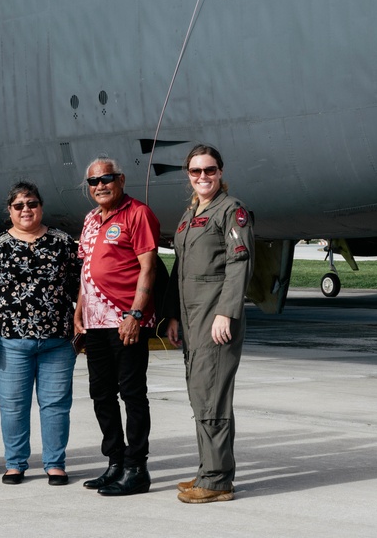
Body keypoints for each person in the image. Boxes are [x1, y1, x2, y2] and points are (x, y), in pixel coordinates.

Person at [0, 182, 81, 486]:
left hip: (57, 342)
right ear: (10, 211)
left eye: (31, 203)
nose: (26, 210)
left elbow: (80, 286)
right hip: (10, 342)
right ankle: (16, 463)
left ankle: (55, 463)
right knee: (13, 405)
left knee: (56, 405)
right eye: (19, 205)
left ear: (41, 206)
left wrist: (78, 318)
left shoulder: (62, 243)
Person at [164, 144, 254, 504]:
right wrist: (171, 314)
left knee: (212, 395)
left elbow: (239, 263)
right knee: (200, 392)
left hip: (215, 315)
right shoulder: (190, 214)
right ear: (188, 175)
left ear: (221, 171)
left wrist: (226, 312)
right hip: (191, 316)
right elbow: (179, 267)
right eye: (196, 171)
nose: (203, 177)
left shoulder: (231, 211)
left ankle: (217, 481)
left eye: (210, 170)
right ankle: (208, 470)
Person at [73, 157, 161, 496]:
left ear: (121, 179)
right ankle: (115, 462)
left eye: (106, 179)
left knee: (133, 394)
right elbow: (87, 270)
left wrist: (136, 314)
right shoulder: (91, 219)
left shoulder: (138, 213)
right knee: (101, 395)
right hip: (94, 324)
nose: (100, 186)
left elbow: (149, 268)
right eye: (93, 181)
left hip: (125, 321)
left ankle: (137, 468)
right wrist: (78, 311)